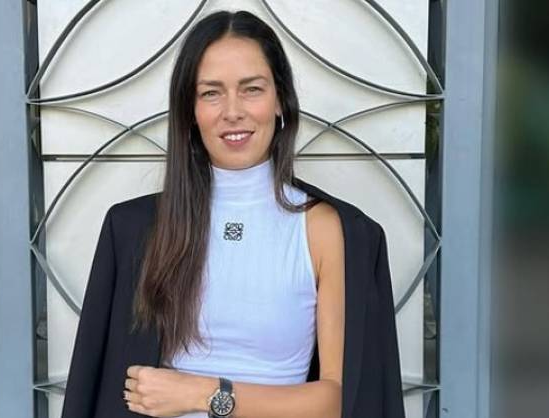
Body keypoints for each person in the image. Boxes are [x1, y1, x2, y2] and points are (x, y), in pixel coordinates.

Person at [60, 9, 404, 418]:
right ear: (190, 111)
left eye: (252, 89)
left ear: (280, 100)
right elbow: (95, 390)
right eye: (211, 93)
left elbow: (338, 400)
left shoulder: (327, 229)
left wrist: (204, 393)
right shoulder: (135, 231)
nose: (232, 111)